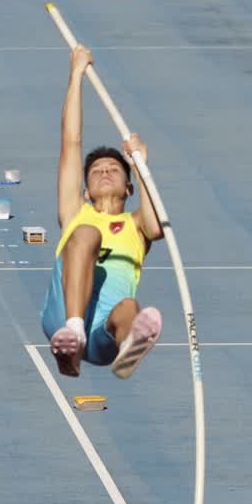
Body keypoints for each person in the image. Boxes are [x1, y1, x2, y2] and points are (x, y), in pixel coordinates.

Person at [42, 45, 164, 379]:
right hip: (62, 317)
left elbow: (156, 228)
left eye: (114, 169)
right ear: (85, 191)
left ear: (129, 188)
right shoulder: (76, 212)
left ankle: (127, 347)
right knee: (86, 234)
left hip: (103, 335)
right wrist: (76, 74)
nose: (105, 172)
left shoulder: (136, 225)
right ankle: (73, 334)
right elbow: (71, 142)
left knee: (130, 309)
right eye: (96, 171)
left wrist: (141, 166)